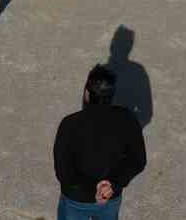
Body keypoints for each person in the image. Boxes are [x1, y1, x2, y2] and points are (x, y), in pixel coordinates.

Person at [52, 65, 146, 220]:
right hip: (110, 197)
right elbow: (138, 160)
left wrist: (92, 189)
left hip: (76, 200)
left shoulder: (69, 124)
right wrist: (111, 185)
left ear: (87, 94)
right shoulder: (127, 119)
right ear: (112, 94)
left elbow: (63, 171)